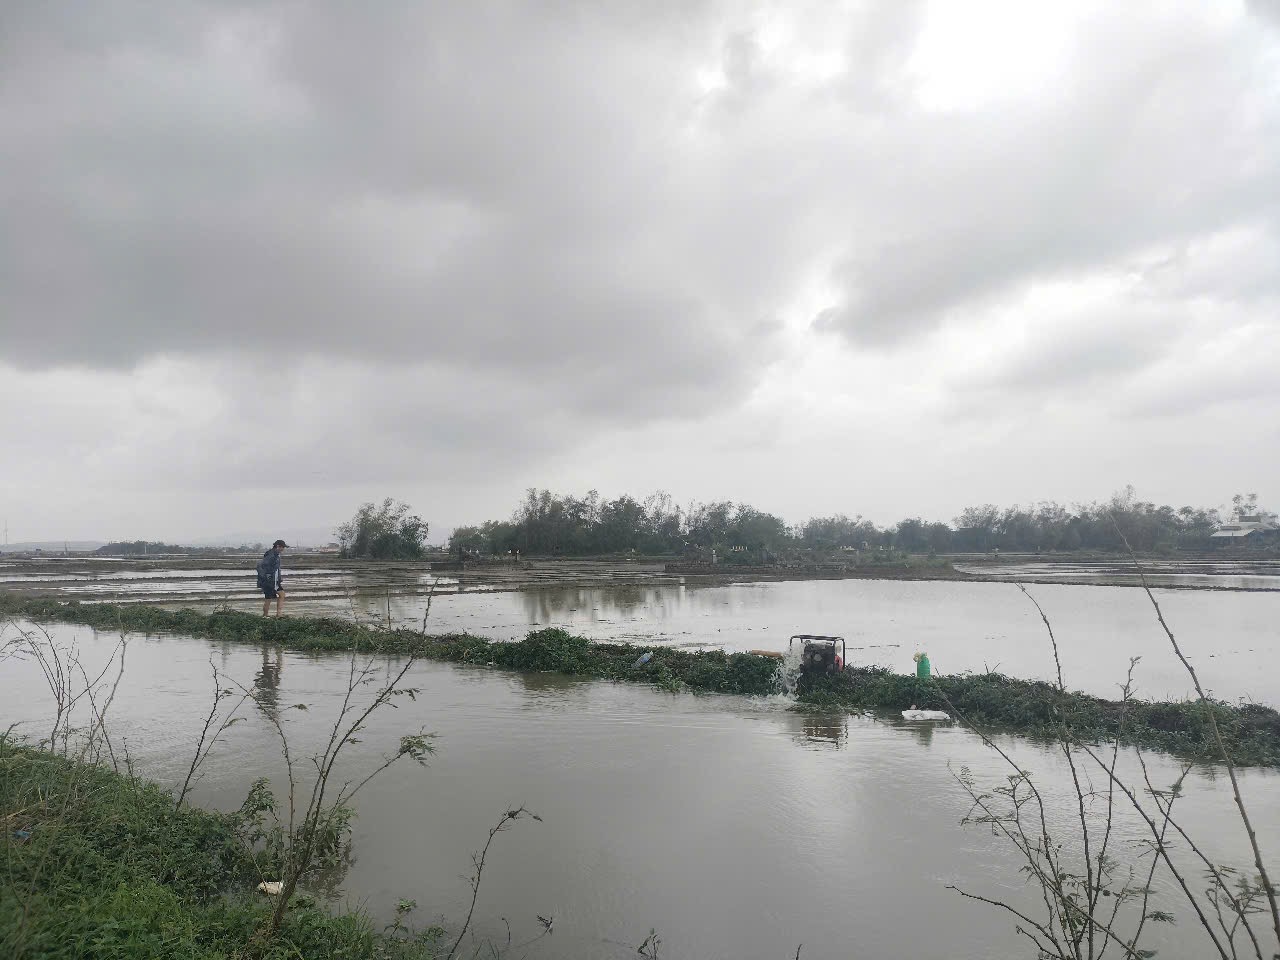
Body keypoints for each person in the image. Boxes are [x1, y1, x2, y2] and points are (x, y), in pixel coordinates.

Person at [258, 539, 289, 616]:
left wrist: (278, 579)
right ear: (278, 546)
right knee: (268, 599)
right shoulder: (271, 555)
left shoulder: (276, 554)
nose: (283, 549)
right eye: (282, 547)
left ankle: (278, 614)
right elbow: (263, 566)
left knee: (281, 595)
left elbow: (276, 569)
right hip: (269, 581)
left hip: (275, 581)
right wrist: (268, 578)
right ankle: (265, 616)